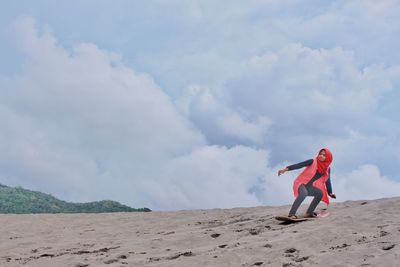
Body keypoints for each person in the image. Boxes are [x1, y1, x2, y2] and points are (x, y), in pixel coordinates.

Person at [277, 148, 336, 219]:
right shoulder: (312, 161)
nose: (321, 156)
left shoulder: (327, 169)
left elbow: (327, 180)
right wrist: (285, 169)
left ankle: (309, 213)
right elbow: (299, 165)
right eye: (320, 154)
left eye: (324, 155)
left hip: (309, 186)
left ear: (328, 158)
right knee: (303, 193)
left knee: (320, 193)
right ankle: (291, 214)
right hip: (300, 183)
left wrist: (330, 193)